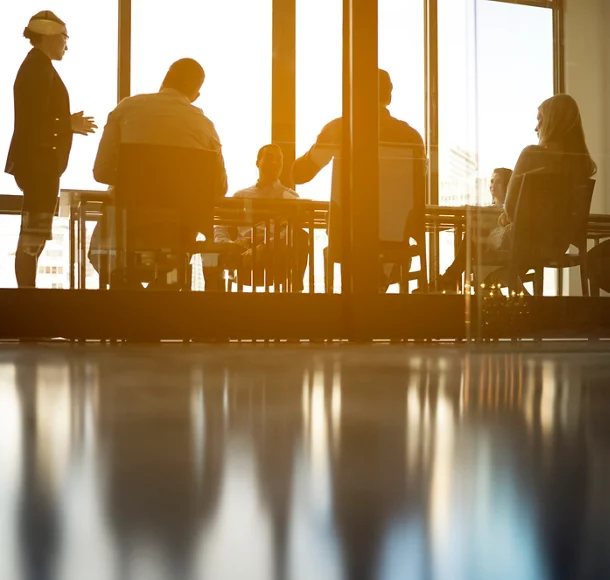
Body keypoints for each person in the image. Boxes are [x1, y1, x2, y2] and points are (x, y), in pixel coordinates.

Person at [430, 94, 597, 292]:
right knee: (491, 259)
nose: (536, 128)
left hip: (525, 243)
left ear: (552, 121)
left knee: (476, 231)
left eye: (539, 119)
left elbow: (510, 207)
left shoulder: (533, 154)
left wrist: (504, 220)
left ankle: (455, 282)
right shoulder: (581, 164)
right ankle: (499, 287)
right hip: (557, 245)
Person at [89, 58, 228, 288]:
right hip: (178, 237)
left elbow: (102, 172)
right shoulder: (205, 127)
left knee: (105, 255)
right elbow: (218, 189)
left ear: (164, 80)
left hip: (127, 231)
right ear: (195, 95)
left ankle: (130, 298)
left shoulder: (126, 108)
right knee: (170, 268)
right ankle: (157, 300)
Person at [292, 69, 426, 291]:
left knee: (357, 283)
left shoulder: (340, 128)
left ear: (354, 94)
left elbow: (300, 175)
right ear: (389, 96)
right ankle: (380, 284)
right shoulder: (411, 137)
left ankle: (357, 306)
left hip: (349, 235)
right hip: (397, 237)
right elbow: (418, 186)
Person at [5, 11, 97, 288]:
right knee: (33, 235)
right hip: (39, 165)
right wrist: (68, 123)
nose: (66, 45)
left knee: (35, 234)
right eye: (64, 38)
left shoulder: (37, 66)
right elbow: (34, 123)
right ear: (48, 36)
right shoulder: (37, 69)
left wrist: (67, 124)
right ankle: (28, 304)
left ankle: (27, 299)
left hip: (38, 164)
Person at [211, 144, 309, 292]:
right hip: (241, 250)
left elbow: (290, 230)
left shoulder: (290, 197)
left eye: (279, 159)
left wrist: (265, 246)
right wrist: (226, 244)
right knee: (209, 252)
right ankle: (213, 301)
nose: (275, 163)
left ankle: (295, 294)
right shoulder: (240, 196)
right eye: (270, 158)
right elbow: (221, 225)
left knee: (300, 235)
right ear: (258, 162)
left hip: (274, 253)